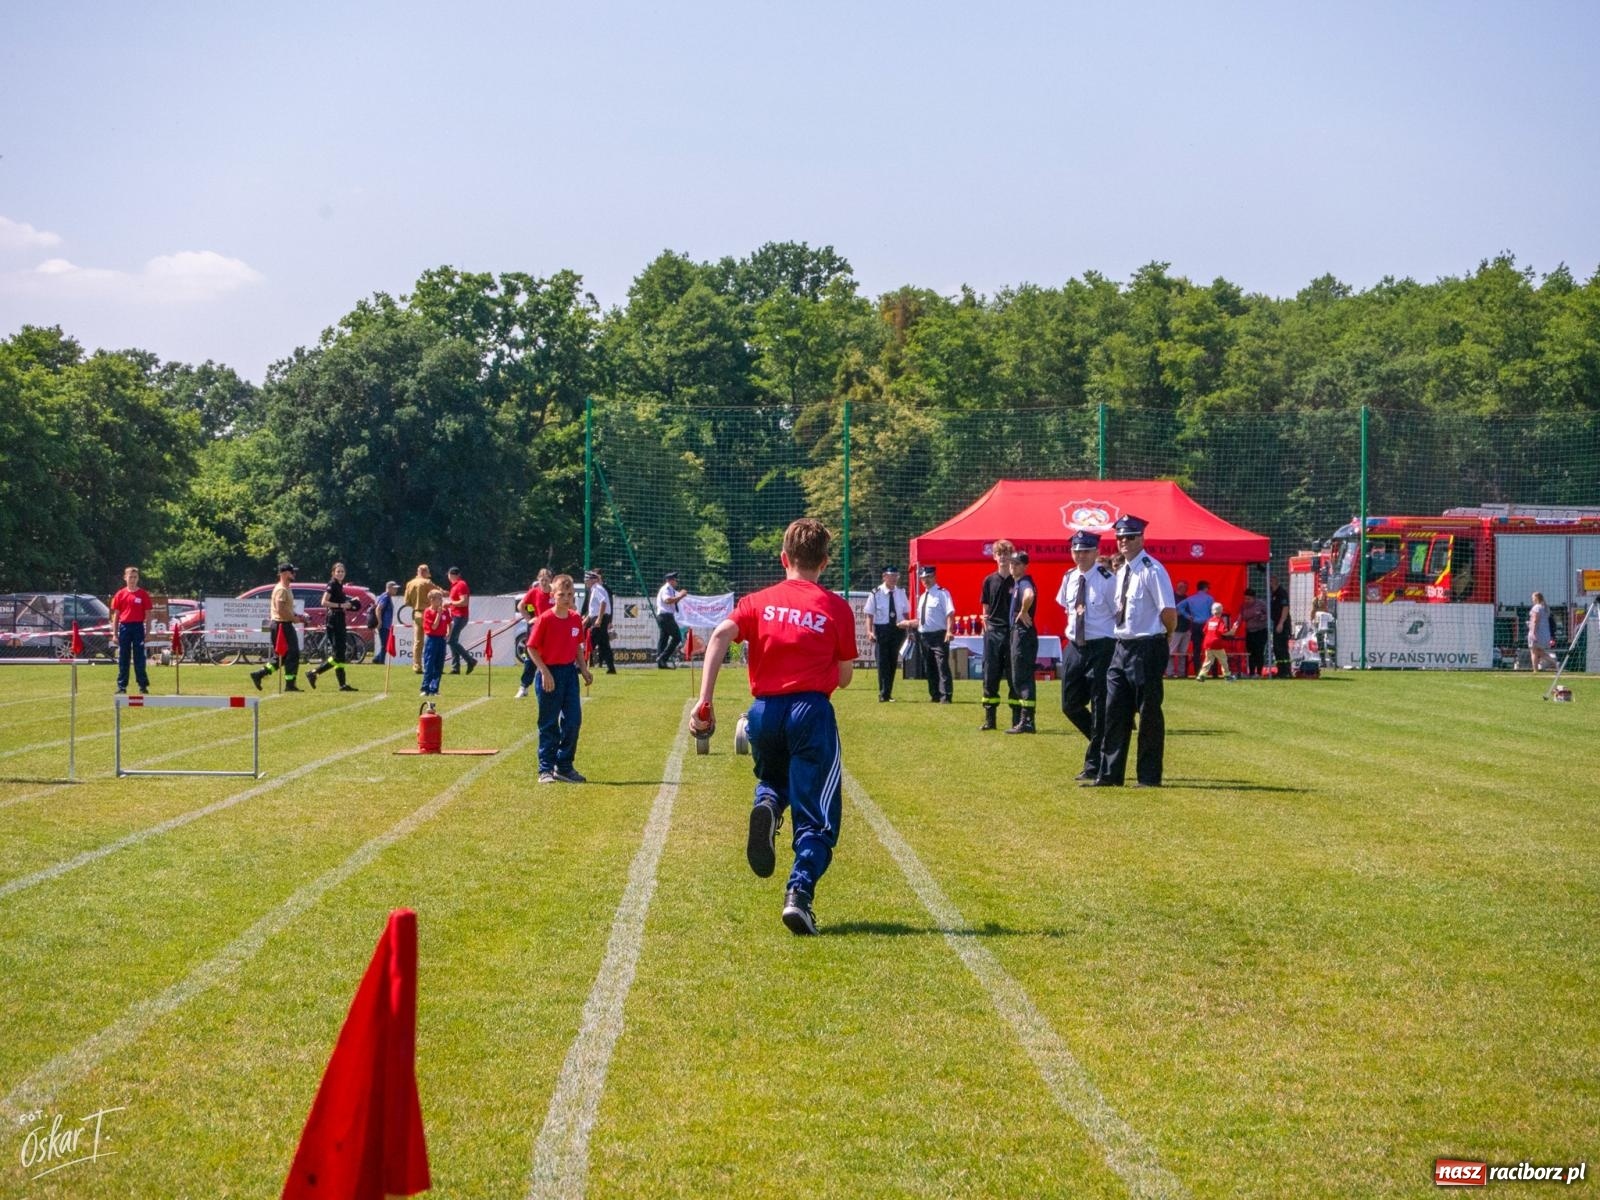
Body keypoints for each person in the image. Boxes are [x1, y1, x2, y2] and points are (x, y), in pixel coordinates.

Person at [691, 518, 858, 936]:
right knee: (817, 817)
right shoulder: (835, 607)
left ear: (784, 558)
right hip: (810, 712)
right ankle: (798, 896)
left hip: (763, 713)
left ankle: (766, 805)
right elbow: (844, 677)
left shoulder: (758, 601)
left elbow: (719, 637)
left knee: (774, 777)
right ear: (823, 562)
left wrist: (705, 700)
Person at [1084, 515, 1176, 788]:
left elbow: (1168, 611)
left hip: (1147, 645)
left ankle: (1148, 776)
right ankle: (1110, 773)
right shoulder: (1122, 570)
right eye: (1120, 537)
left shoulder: (1152, 569)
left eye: (1130, 537)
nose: (1124, 541)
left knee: (1148, 712)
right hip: (1121, 646)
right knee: (1114, 711)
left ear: (1142, 538)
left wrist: (1166, 636)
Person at [1057, 530, 1117, 780]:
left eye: (1085, 551)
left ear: (1095, 552)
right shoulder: (1069, 577)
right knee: (1069, 704)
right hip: (1074, 645)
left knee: (1099, 704)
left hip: (1101, 647)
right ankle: (1102, 740)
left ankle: (1094, 763)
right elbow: (1066, 608)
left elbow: (1118, 613)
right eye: (1076, 551)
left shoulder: (1107, 579)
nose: (1080, 555)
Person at [528, 573, 593, 784]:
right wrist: (544, 672)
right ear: (553, 595)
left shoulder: (575, 618)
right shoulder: (545, 619)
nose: (566, 598)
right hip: (550, 674)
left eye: (570, 594)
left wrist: (583, 669)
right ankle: (545, 769)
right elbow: (531, 647)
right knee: (549, 723)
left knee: (573, 720)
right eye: (562, 594)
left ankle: (564, 766)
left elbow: (576, 647)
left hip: (569, 674)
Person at [977, 539, 1017, 731]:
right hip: (992, 633)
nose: (1003, 557)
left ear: (1011, 556)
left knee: (1013, 675)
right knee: (990, 675)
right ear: (994, 557)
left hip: (1011, 633)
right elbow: (985, 607)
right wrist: (986, 623)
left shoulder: (1017, 581)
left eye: (1006, 553)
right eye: (999, 554)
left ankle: (1017, 719)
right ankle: (989, 719)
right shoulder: (988, 580)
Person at [251, 562, 308, 691]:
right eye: (292, 571)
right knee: (292, 654)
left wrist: (299, 616)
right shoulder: (281, 589)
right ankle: (289, 685)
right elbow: (280, 609)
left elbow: (286, 609)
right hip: (281, 625)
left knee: (284, 656)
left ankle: (259, 674)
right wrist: (295, 619)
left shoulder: (287, 588)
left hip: (285, 624)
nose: (294, 574)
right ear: (284, 573)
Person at [306, 562, 359, 691]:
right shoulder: (332, 584)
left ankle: (342, 684)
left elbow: (342, 602)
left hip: (340, 619)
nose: (340, 573)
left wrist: (351, 602)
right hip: (333, 620)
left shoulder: (340, 586)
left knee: (340, 653)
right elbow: (324, 602)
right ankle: (313, 672)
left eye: (342, 571)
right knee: (338, 654)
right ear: (333, 573)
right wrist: (341, 606)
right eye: (338, 571)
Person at [862, 566, 911, 702]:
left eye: (896, 576)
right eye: (891, 576)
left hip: (897, 629)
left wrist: (909, 629)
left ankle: (888, 692)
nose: (894, 578)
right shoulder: (876, 593)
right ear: (884, 577)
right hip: (882, 630)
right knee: (883, 662)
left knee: (893, 662)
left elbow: (906, 612)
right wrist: (869, 631)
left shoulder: (901, 593)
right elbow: (869, 614)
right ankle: (883, 693)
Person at [1006, 551, 1039, 734]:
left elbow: (1029, 595)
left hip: (1023, 634)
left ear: (1025, 566)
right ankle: (1024, 719)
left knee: (1022, 676)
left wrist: (1024, 610)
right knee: (1018, 675)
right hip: (1018, 633)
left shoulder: (1025, 582)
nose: (1013, 566)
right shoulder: (1017, 582)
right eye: (1012, 563)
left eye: (1017, 564)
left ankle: (1027, 720)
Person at [109, 565, 154, 695]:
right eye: (130, 577)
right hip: (124, 628)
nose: (133, 580)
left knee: (140, 657)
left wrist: (148, 633)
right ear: (125, 578)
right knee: (123, 657)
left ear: (138, 578)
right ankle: (122, 686)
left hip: (138, 627)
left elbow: (148, 615)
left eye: (135, 577)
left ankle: (142, 685)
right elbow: (116, 616)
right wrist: (115, 634)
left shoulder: (143, 594)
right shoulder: (120, 594)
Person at [914, 564, 954, 703]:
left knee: (942, 665)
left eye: (929, 577)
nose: (926, 580)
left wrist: (949, 630)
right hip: (924, 636)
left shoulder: (942, 593)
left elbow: (950, 613)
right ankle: (935, 694)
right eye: (924, 578)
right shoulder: (922, 597)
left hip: (939, 635)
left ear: (934, 577)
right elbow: (920, 619)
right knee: (929, 666)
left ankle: (946, 695)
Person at [516, 569, 554, 699]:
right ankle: (524, 686)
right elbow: (521, 606)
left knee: (553, 658)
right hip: (537, 628)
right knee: (531, 658)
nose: (544, 582)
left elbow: (569, 606)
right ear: (538, 580)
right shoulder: (534, 592)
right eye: (541, 580)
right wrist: (529, 619)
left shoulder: (555, 593)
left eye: (546, 580)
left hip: (553, 630)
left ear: (551, 580)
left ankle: (553, 685)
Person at [1179, 581, 1218, 676]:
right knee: (1212, 648)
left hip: (1195, 625)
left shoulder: (1191, 598)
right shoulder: (1210, 598)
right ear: (1205, 588)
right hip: (1207, 626)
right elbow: (1214, 612)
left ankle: (1197, 671)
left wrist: (1187, 616)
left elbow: (1179, 606)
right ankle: (1214, 672)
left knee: (1196, 649)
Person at [419, 588, 451, 696]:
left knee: (439, 665)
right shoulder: (428, 611)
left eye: (441, 598)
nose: (441, 600)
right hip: (432, 639)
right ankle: (425, 688)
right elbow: (433, 626)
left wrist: (448, 633)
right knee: (429, 664)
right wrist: (438, 614)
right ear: (432, 600)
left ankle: (434, 689)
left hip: (441, 639)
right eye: (438, 598)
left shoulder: (445, 611)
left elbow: (450, 623)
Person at [583, 568, 616, 674]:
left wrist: (599, 619)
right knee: (604, 644)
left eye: (587, 579)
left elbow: (603, 603)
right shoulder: (596, 589)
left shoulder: (597, 589)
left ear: (593, 580)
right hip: (598, 618)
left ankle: (581, 665)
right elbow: (593, 609)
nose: (585, 582)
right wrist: (586, 620)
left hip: (599, 620)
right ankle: (611, 668)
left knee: (590, 641)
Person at [445, 566, 477, 675]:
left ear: (451, 575)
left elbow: (464, 602)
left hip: (460, 616)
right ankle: (456, 668)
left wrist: (450, 603)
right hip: (455, 615)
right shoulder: (454, 586)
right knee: (453, 641)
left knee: (451, 640)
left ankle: (470, 660)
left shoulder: (461, 585)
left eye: (449, 575)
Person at [403, 565, 434, 675]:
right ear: (425, 572)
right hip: (428, 613)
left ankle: (417, 666)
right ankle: (431, 665)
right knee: (432, 640)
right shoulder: (427, 582)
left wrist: (415, 604)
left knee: (418, 642)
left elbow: (406, 602)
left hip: (416, 614)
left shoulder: (410, 583)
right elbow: (437, 594)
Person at [1196, 602, 1238, 680]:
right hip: (1217, 643)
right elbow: (1224, 633)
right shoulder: (1220, 621)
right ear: (1221, 611)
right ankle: (1227, 675)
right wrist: (1233, 629)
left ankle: (1201, 675)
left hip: (1207, 643)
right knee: (1223, 660)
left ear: (1212, 611)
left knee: (1208, 660)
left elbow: (1204, 631)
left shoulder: (1209, 620)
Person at [656, 571, 685, 668]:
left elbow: (672, 600)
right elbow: (667, 600)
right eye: (676, 579)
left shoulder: (671, 589)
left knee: (663, 639)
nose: (677, 582)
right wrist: (681, 596)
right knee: (677, 637)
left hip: (665, 616)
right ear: (671, 580)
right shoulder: (666, 589)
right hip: (666, 617)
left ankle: (661, 663)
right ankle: (662, 658)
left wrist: (679, 596)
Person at [1238, 587, 1269, 676]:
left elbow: (1268, 614)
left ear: (1254, 598)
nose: (1247, 600)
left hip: (1260, 632)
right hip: (1250, 632)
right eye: (1245, 598)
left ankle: (1259, 672)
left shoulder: (1261, 604)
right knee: (1251, 653)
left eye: (1249, 599)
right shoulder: (1243, 606)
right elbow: (1240, 617)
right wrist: (1234, 627)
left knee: (1259, 652)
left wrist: (1262, 617)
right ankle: (1251, 672)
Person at [1167, 580, 1192, 678]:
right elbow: (1168, 611)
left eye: (1186, 587)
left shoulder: (1187, 599)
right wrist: (1178, 613)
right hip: (1174, 629)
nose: (1184, 589)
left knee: (1183, 653)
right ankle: (1170, 672)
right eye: (1182, 587)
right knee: (1171, 652)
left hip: (1186, 629)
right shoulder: (1171, 598)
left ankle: (1182, 673)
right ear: (1178, 587)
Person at [1528, 591, 1559, 671]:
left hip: (1537, 632)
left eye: (1533, 598)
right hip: (1545, 633)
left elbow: (1535, 620)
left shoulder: (1536, 607)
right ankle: (1554, 662)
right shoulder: (1545, 608)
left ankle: (1535, 670)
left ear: (1536, 598)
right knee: (1539, 651)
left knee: (1534, 651)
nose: (1532, 599)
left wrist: (1533, 632)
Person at [373, 581, 400, 665]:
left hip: (386, 625)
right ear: (389, 588)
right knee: (384, 645)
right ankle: (381, 662)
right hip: (384, 625)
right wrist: (379, 622)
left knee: (386, 644)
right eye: (394, 588)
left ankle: (377, 659)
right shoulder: (385, 597)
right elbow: (378, 609)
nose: (396, 590)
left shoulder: (385, 596)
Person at [1270, 580, 1291, 679]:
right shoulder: (1274, 593)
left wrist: (1281, 623)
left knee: (1282, 648)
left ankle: (1286, 671)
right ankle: (1281, 670)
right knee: (1277, 648)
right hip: (1277, 623)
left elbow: (1285, 608)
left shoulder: (1281, 593)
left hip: (1282, 624)